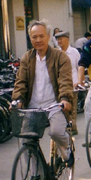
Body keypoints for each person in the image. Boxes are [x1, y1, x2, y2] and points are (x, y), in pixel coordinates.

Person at [13, 22, 75, 170]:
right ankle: (37, 175)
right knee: (27, 141)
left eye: (41, 36)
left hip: (54, 105)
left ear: (48, 37)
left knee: (56, 132)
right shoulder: (27, 58)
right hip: (33, 106)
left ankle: (66, 149)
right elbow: (20, 81)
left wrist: (65, 98)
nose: (38, 40)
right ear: (30, 38)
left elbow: (65, 80)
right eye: (34, 37)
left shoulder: (60, 57)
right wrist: (18, 99)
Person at [55, 30, 80, 134]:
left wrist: (78, 81)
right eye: (57, 39)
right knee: (63, 108)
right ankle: (69, 125)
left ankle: (73, 127)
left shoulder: (74, 52)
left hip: (73, 84)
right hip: (61, 86)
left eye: (61, 39)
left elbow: (80, 67)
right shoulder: (56, 53)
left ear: (68, 39)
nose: (59, 41)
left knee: (73, 108)